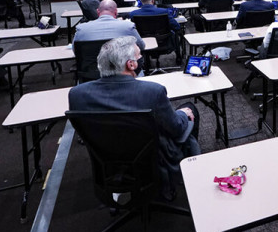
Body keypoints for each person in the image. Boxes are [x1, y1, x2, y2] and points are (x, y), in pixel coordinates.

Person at [68, 36, 199, 200]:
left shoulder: (77, 94)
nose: (141, 59)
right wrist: (182, 113)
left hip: (106, 161)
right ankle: (187, 176)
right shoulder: (153, 92)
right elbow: (175, 128)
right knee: (189, 109)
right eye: (139, 56)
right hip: (152, 162)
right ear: (131, 64)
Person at [129, 0, 182, 64]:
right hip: (164, 41)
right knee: (176, 33)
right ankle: (179, 57)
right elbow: (177, 27)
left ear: (140, 1)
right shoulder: (164, 11)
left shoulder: (133, 14)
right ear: (153, 1)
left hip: (144, 43)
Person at [73, 0, 145, 51]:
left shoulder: (81, 29)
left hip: (92, 69)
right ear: (116, 12)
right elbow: (141, 46)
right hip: (121, 69)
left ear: (98, 12)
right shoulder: (127, 26)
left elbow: (75, 51)